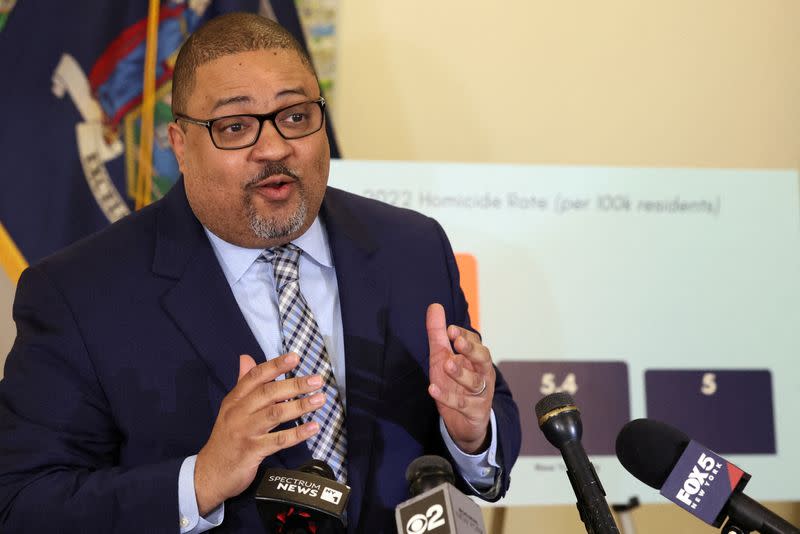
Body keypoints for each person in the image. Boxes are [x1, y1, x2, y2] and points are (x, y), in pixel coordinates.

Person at [0, 12, 521, 533]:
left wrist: (472, 433)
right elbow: (23, 504)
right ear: (179, 145)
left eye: (295, 117)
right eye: (235, 127)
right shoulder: (78, 293)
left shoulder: (411, 247)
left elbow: (482, 427)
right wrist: (201, 480)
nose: (273, 149)